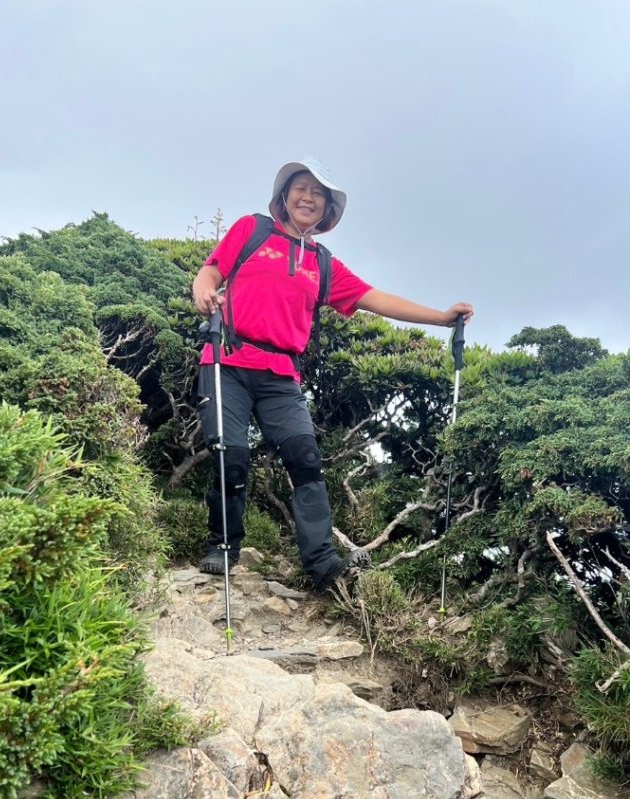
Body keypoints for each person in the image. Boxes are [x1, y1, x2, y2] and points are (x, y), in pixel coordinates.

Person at [192, 157, 474, 592]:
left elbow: (373, 297)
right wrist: (205, 292)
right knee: (231, 455)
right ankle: (224, 547)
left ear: (327, 210)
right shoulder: (253, 230)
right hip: (227, 361)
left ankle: (323, 564)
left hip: (281, 375)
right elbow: (211, 270)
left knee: (306, 461)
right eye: (301, 188)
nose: (308, 197)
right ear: (284, 196)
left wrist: (439, 317)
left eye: (319, 194)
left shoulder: (322, 263)